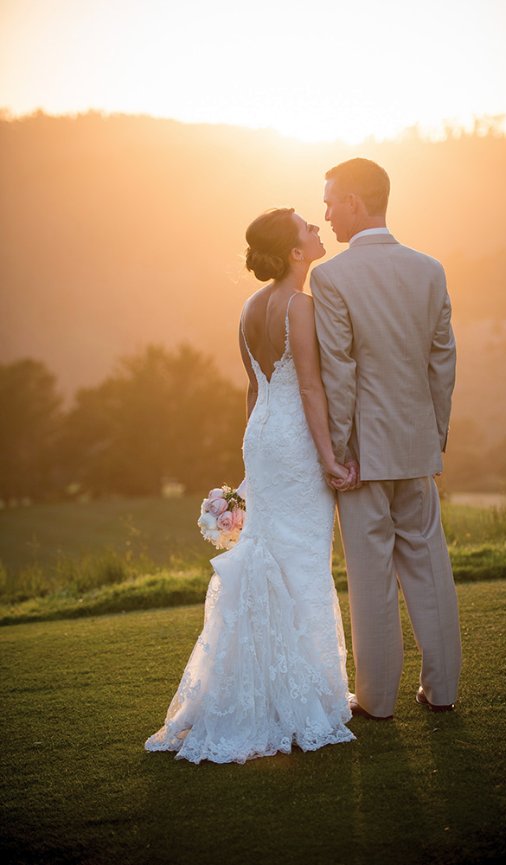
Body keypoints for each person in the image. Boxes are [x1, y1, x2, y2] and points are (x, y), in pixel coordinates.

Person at [145, 208, 356, 764]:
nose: (316, 233)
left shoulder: (248, 308)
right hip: (293, 442)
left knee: (270, 553)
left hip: (260, 436)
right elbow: (310, 390)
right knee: (304, 561)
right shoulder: (300, 307)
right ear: (294, 252)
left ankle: (273, 686)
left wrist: (250, 461)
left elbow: (252, 391)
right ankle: (310, 695)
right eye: (308, 229)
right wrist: (332, 458)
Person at [310, 157, 461, 720]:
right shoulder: (430, 269)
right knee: (429, 565)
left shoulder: (330, 278)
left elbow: (340, 372)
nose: (325, 214)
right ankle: (442, 690)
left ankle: (376, 701)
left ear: (354, 202)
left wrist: (339, 451)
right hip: (417, 447)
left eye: (330, 202)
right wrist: (435, 434)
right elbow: (442, 361)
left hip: (364, 455)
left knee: (371, 578)